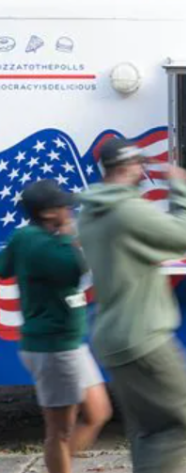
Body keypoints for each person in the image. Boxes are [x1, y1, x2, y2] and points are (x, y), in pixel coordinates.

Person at [77, 138, 186, 473]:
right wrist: (181, 189)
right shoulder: (126, 210)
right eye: (139, 164)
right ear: (128, 167)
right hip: (143, 337)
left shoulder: (92, 211)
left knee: (149, 430)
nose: (143, 170)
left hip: (113, 335)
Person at [0, 180, 111, 473]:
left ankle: (56, 466)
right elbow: (79, 268)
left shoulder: (24, 238)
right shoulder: (49, 246)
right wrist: (68, 235)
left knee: (98, 412)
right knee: (60, 432)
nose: (69, 210)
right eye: (64, 206)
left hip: (68, 344)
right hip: (52, 349)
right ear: (49, 213)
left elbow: (4, 267)